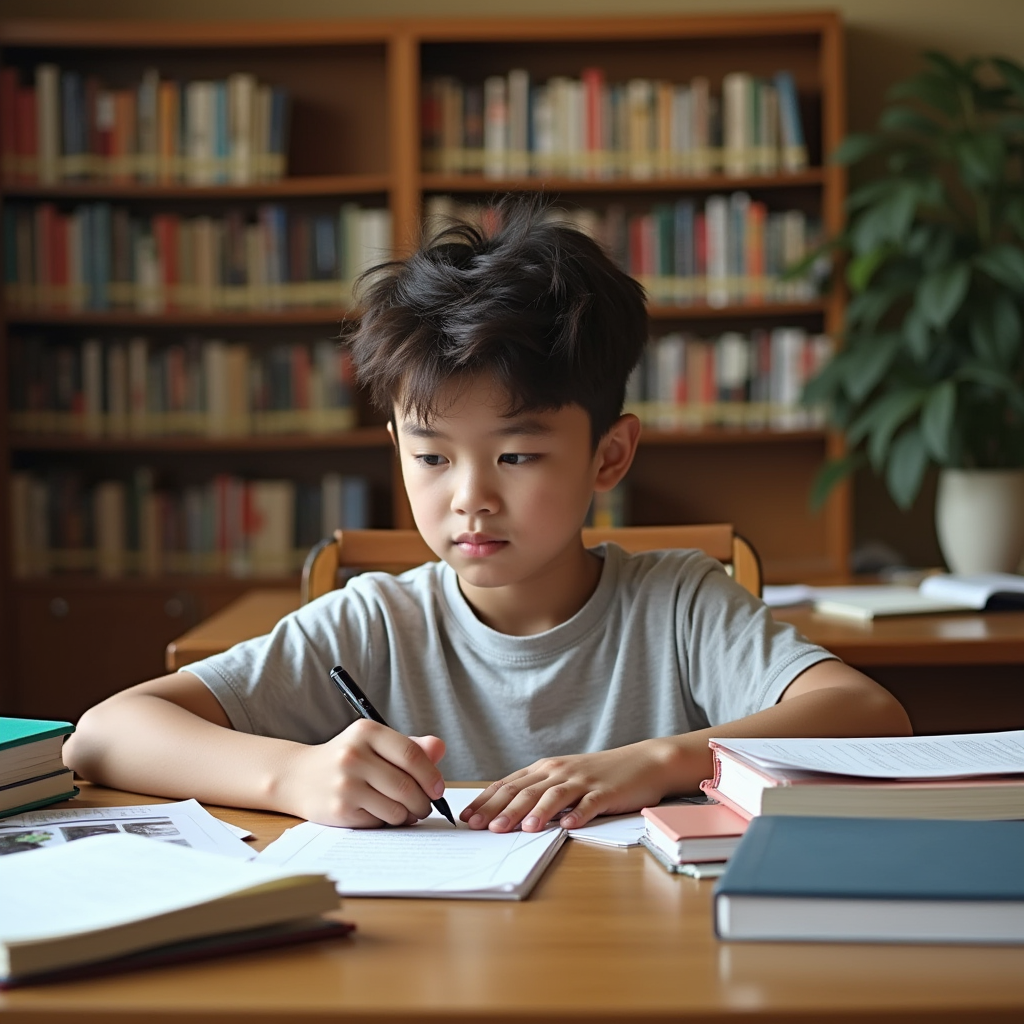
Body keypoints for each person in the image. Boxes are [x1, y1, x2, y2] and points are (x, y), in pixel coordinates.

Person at [66, 200, 911, 834]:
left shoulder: (679, 604)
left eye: (516, 456)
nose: (470, 496)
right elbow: (103, 735)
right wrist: (295, 776)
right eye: (432, 458)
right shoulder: (376, 621)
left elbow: (870, 716)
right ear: (396, 448)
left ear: (609, 455)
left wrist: (656, 761)